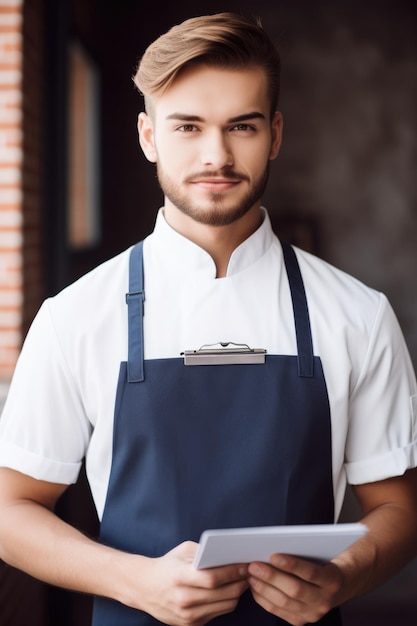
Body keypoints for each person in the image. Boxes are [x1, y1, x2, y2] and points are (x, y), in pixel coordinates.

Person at [0, 11, 417, 626]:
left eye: (241, 127)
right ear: (148, 137)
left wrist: (343, 577)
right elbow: (11, 510)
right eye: (188, 127)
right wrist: (135, 581)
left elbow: (398, 507)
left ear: (274, 135)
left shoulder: (358, 314)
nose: (215, 155)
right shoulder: (74, 316)